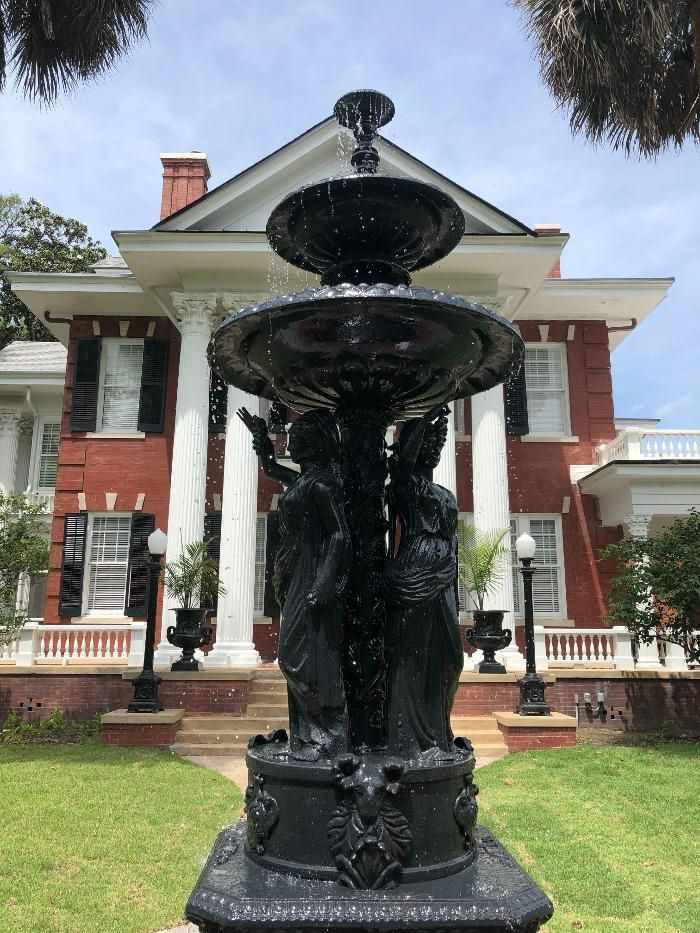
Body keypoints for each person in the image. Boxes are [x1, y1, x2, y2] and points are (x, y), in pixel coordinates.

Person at [238, 406, 351, 760]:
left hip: (311, 574)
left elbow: (339, 535)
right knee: (300, 656)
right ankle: (307, 737)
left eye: (298, 437)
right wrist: (261, 439)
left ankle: (329, 732)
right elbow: (271, 468)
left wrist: (324, 581)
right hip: (295, 574)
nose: (290, 442)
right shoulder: (304, 481)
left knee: (295, 658)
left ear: (315, 443)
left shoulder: (322, 484)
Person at [384, 405, 464, 760]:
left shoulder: (445, 492)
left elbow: (453, 541)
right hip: (415, 573)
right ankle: (409, 741)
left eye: (437, 443)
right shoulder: (403, 486)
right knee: (411, 657)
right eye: (426, 443)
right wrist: (423, 421)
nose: (433, 449)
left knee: (451, 658)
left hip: (443, 575)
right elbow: (402, 467)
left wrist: (453, 586)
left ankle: (438, 733)